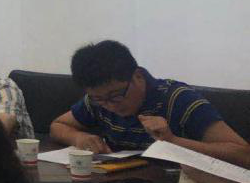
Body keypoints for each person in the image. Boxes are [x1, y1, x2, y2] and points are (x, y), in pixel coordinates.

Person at [49, 41, 250, 165]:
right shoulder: (98, 101)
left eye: (116, 95)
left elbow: (243, 154)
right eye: (99, 98)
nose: (110, 105)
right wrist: (79, 137)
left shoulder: (179, 99)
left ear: (137, 76)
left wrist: (172, 141)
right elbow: (58, 126)